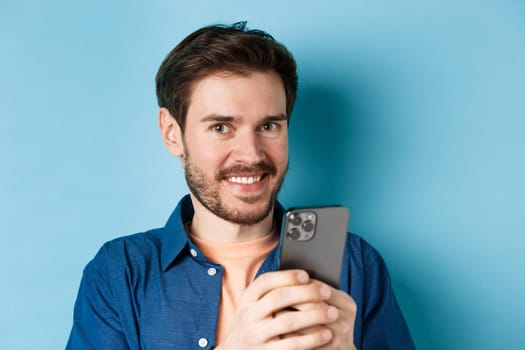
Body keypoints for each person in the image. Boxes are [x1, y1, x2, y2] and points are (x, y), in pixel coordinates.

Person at [66, 22, 415, 349]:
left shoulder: (355, 263)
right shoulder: (119, 273)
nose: (250, 154)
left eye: (268, 127)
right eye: (221, 127)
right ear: (173, 134)